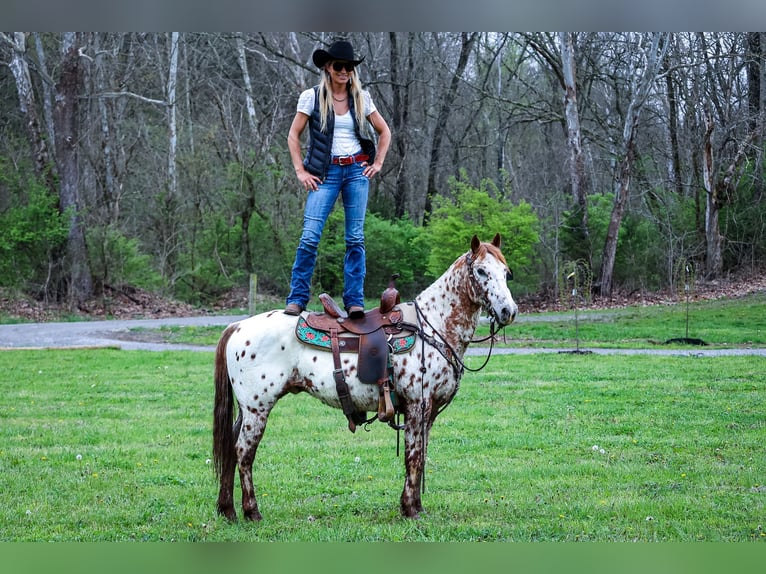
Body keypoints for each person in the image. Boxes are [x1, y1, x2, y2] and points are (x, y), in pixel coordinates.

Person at [284, 39, 391, 319]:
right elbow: (293, 135)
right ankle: (297, 298)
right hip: (325, 173)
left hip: (356, 171)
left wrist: (377, 162)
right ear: (328, 68)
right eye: (339, 66)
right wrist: (300, 171)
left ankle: (354, 301)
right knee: (309, 237)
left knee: (355, 238)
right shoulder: (312, 97)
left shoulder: (361, 98)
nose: (345, 72)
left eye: (349, 67)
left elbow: (384, 131)